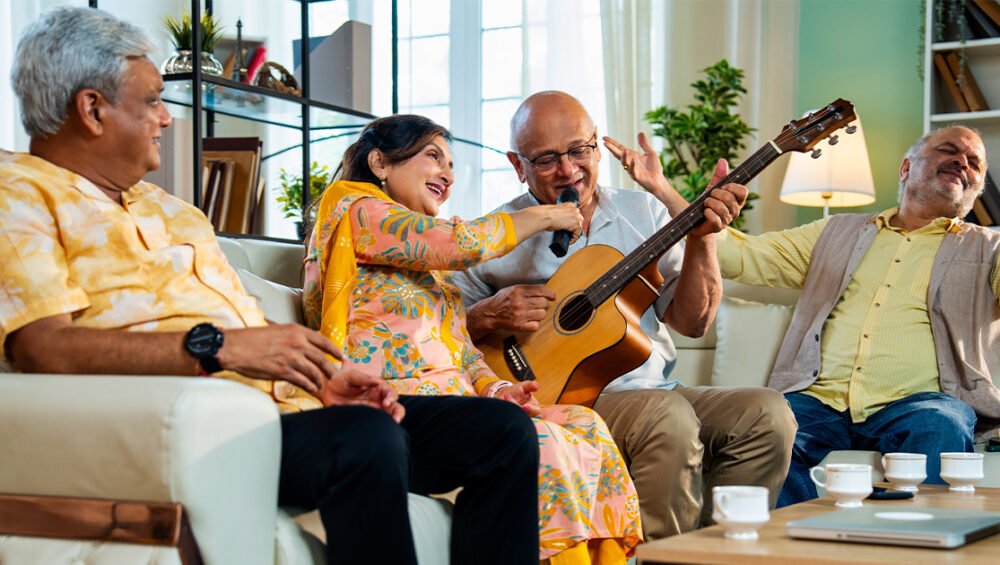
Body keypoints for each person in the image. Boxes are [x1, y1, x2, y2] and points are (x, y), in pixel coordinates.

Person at [0, 7, 540, 564]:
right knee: (365, 439)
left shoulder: (174, 211)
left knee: (501, 432)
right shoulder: (17, 193)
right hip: (192, 425)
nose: (166, 117)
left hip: (284, 414)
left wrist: (324, 380)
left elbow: (246, 328)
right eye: (152, 101)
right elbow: (43, 347)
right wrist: (222, 347)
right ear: (92, 109)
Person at [452, 90, 797, 539]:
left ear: (597, 144)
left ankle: (714, 551)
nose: (569, 169)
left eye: (579, 150)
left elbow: (693, 322)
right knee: (666, 416)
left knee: (766, 413)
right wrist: (486, 314)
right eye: (547, 159)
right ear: (518, 165)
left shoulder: (645, 212)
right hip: (563, 399)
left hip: (655, 388)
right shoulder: (495, 234)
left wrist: (703, 239)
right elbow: (442, 333)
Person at [303, 113, 643, 564]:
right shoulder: (355, 211)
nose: (447, 173)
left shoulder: (425, 271)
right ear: (381, 163)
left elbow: (460, 348)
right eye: (433, 156)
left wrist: (499, 388)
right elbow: (459, 242)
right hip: (396, 403)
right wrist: (547, 216)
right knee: (541, 441)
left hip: (458, 403)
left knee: (585, 426)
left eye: (451, 163)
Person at [709, 125, 999, 506]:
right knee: (765, 428)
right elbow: (740, 256)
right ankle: (795, 547)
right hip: (818, 399)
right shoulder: (836, 231)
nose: (962, 161)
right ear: (906, 167)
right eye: (949, 150)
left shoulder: (990, 247)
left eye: (974, 163)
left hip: (922, 402)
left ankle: (919, 550)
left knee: (939, 424)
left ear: (976, 190)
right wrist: (676, 203)